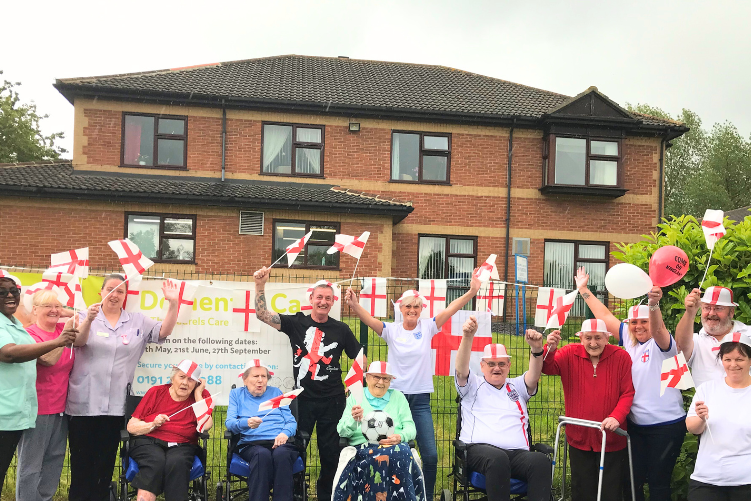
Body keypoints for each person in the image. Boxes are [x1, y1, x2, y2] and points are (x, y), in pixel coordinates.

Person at [344, 273, 480, 499]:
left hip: (420, 401)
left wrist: (472, 292)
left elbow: (451, 308)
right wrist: (354, 304)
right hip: (393, 398)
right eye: (408, 306)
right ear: (401, 308)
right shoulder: (391, 330)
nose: (412, 310)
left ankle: (423, 495)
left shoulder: (428, 327)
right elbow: (368, 319)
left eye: (416, 307)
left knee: (430, 456)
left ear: (421, 309)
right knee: (389, 449)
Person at [66, 274, 181, 501]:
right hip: (83, 406)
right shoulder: (83, 315)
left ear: (125, 295)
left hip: (115, 408)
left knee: (105, 466)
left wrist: (173, 302)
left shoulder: (137, 321)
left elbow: (163, 332)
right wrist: (89, 319)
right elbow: (77, 341)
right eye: (111, 289)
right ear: (101, 292)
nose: (115, 294)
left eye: (120, 291)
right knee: (81, 466)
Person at [575, 267, 685, 501]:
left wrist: (654, 305)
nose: (638, 326)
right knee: (632, 481)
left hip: (665, 425)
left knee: (658, 483)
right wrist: (584, 291)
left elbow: (657, 329)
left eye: (643, 321)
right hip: (635, 425)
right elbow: (604, 317)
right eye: (633, 322)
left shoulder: (663, 344)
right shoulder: (630, 340)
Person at [254, 267, 361, 501]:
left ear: (333, 303)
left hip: (333, 402)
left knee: (331, 455)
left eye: (328, 299)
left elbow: (359, 358)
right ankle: (293, 494)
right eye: (319, 297)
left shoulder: (341, 329)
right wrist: (260, 286)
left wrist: (352, 385)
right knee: (293, 449)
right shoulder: (296, 322)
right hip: (302, 400)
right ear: (311, 299)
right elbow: (263, 315)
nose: (323, 302)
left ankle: (327, 496)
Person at [454, 316, 551, 501]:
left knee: (540, 462)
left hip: (517, 454)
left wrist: (537, 349)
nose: (496, 368)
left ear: (509, 366)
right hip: (479, 451)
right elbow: (460, 370)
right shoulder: (472, 385)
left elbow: (534, 375)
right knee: (497, 458)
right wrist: (467, 336)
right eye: (491, 363)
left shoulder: (517, 386)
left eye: (501, 363)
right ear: (482, 366)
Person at [0, 274, 76, 494]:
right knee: (28, 466)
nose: (10, 295)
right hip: (4, 413)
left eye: (14, 291)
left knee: (49, 461)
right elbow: (9, 354)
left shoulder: (14, 323)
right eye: (2, 291)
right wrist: (59, 340)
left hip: (18, 410)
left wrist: (77, 314)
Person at [542, 319, 634, 501]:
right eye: (588, 338)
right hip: (579, 435)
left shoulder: (621, 357)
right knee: (582, 487)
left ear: (607, 338)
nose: (593, 343)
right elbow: (547, 367)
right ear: (581, 338)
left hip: (611, 436)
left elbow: (628, 392)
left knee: (611, 489)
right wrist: (549, 350)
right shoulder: (569, 353)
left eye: (598, 338)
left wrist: (616, 417)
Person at [334, 361, 424, 501]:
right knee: (381, 459)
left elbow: (411, 428)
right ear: (367, 378)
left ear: (390, 381)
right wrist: (353, 420)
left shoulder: (399, 397)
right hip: (364, 448)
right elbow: (342, 431)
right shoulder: (356, 398)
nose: (381, 382)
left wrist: (400, 436)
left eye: (386, 378)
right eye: (376, 377)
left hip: (395, 447)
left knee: (401, 453)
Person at [126, 359, 212, 501]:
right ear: (173, 378)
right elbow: (131, 427)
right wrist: (152, 424)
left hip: (182, 445)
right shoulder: (156, 392)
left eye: (191, 380)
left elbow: (206, 425)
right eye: (181, 377)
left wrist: (198, 395)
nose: (185, 382)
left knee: (177, 462)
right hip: (148, 442)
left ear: (196, 384)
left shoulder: (202, 397)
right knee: (155, 460)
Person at [686, 332, 751, 500]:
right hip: (707, 479)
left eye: (740, 359)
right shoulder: (707, 389)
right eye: (728, 359)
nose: (733, 365)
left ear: (750, 361)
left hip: (746, 481)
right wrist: (701, 418)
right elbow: (691, 428)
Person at [225, 359, 299, 501]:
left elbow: (291, 421)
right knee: (261, 455)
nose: (260, 380)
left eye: (263, 376)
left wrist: (284, 433)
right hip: (252, 444)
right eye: (255, 376)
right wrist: (246, 423)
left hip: (280, 441)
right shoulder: (236, 394)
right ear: (245, 379)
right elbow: (230, 423)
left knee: (282, 454)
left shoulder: (276, 392)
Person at [675, 286, 751, 387]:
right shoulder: (696, 341)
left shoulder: (748, 334)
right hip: (707, 402)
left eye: (718, 308)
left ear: (731, 312)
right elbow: (680, 347)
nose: (711, 313)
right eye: (707, 307)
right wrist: (690, 313)